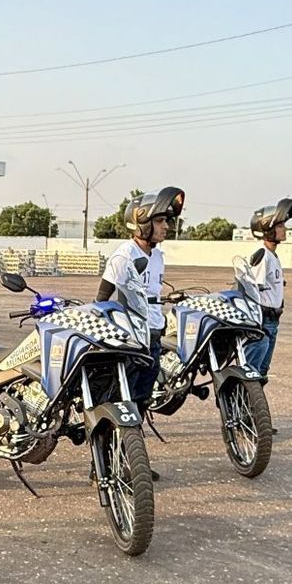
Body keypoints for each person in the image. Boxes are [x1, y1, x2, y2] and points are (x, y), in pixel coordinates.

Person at [100, 188, 184, 474]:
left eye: (165, 221)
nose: (166, 227)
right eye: (160, 221)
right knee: (119, 403)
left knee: (140, 402)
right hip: (130, 341)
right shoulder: (124, 255)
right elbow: (102, 298)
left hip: (153, 337)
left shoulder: (158, 256)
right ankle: (103, 465)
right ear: (143, 222)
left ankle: (132, 462)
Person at [244, 199, 292, 376]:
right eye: (280, 225)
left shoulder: (273, 256)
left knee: (263, 371)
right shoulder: (262, 256)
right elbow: (252, 291)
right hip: (263, 321)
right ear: (268, 228)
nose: (285, 229)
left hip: (273, 321)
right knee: (252, 371)